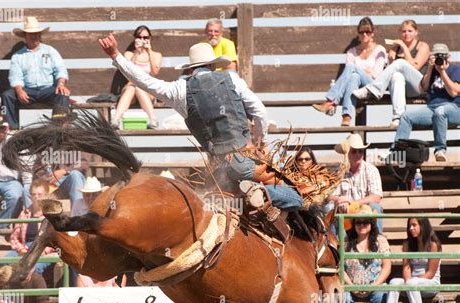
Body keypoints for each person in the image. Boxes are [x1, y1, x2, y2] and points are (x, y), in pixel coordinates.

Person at [100, 34, 301, 240]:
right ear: (213, 66)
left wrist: (116, 55)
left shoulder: (179, 89)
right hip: (245, 159)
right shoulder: (232, 79)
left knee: (223, 212)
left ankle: (245, 202)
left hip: (217, 169)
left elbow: (145, 82)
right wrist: (261, 140)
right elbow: (259, 112)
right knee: (298, 196)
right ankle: (262, 194)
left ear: (190, 69)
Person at [353, 20, 430, 127]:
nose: (406, 34)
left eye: (410, 31)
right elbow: (389, 73)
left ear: (416, 32)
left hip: (419, 86)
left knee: (400, 62)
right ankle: (398, 117)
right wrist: (390, 58)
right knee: (396, 76)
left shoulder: (422, 46)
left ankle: (372, 89)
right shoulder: (395, 49)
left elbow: (415, 66)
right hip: (402, 89)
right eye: (404, 31)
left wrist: (403, 47)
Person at [312, 17, 387, 126]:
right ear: (358, 34)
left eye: (368, 32)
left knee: (352, 68)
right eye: (362, 32)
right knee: (354, 77)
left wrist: (361, 70)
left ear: (372, 33)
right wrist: (365, 71)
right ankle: (346, 117)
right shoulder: (351, 52)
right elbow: (348, 77)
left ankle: (330, 101)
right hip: (356, 87)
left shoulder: (380, 50)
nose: (364, 35)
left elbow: (376, 75)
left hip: (372, 87)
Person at [394, 43, 460, 162]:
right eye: (436, 56)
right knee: (405, 116)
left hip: (454, 108)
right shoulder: (431, 70)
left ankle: (440, 150)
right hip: (432, 108)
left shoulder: (456, 70)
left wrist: (442, 72)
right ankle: (397, 152)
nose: (440, 59)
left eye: (442, 56)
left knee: (441, 112)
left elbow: (454, 93)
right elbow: (423, 88)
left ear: (448, 57)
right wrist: (430, 68)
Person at [1, 16, 70, 130]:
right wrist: (19, 91)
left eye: (37, 33)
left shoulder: (50, 51)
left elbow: (60, 69)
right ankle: (11, 130)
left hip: (48, 89)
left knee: (62, 94)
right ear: (25, 36)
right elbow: (15, 77)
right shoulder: (18, 56)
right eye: (31, 33)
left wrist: (61, 83)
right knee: (7, 95)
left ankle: (58, 129)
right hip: (28, 91)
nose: (34, 36)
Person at [343, 205, 391, 303]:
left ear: (372, 224)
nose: (362, 225)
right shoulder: (346, 242)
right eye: (358, 222)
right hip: (351, 284)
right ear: (354, 224)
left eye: (366, 222)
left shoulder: (381, 240)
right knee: (341, 296)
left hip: (375, 283)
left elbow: (387, 266)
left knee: (381, 292)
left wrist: (375, 284)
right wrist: (350, 284)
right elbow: (340, 267)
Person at [383, 218, 441, 303]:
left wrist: (410, 283)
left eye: (414, 225)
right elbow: (406, 268)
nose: (411, 228)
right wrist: (408, 282)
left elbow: (431, 273)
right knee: (394, 282)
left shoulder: (433, 245)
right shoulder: (407, 244)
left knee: (412, 282)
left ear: (423, 226)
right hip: (412, 283)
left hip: (431, 283)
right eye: (409, 226)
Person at [327, 133, 384, 233]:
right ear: (347, 152)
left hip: (364, 214)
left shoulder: (371, 170)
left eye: (360, 151)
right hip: (343, 216)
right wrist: (340, 199)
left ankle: (376, 243)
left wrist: (353, 204)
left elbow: (377, 197)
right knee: (329, 208)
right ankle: (335, 246)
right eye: (354, 151)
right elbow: (328, 196)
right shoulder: (337, 172)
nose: (358, 154)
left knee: (376, 207)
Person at [111, 25, 162, 129]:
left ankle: (153, 120)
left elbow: (154, 72)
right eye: (139, 37)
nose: (142, 40)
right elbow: (127, 70)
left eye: (145, 38)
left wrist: (149, 52)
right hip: (130, 89)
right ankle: (115, 120)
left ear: (150, 39)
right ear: (135, 38)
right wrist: (137, 53)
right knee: (133, 87)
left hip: (148, 90)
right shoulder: (129, 54)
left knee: (138, 87)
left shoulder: (156, 55)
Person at [0, 111, 25, 240]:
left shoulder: (16, 140)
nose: (3, 130)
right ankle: (0, 227)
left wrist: (27, 184)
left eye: (5, 127)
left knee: (15, 196)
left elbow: (25, 165)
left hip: (11, 181)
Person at [8, 179, 58, 277]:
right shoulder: (24, 213)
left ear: (47, 195)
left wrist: (39, 251)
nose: (36, 197)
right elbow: (14, 237)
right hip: (25, 248)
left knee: (34, 268)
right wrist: (21, 249)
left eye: (40, 194)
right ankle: (11, 289)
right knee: (5, 261)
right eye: (33, 194)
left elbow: (56, 240)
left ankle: (36, 291)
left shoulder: (52, 214)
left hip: (44, 251)